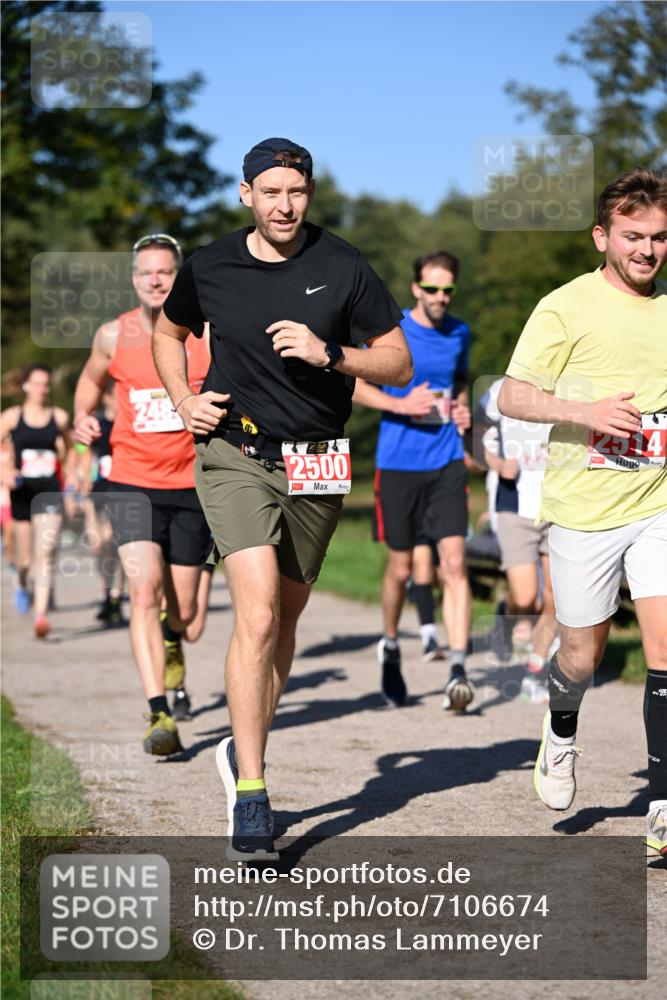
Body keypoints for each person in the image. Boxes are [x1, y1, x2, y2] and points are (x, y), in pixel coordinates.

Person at [153, 137, 412, 860]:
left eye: (294, 192)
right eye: (269, 191)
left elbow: (397, 361)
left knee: (285, 623)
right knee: (258, 610)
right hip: (235, 452)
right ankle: (254, 791)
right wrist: (182, 399)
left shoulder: (341, 264)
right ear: (245, 195)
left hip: (320, 461)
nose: (283, 204)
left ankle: (246, 744)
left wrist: (331, 353)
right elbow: (167, 331)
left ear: (309, 194)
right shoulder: (209, 266)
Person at [497, 167, 667, 855]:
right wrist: (583, 411)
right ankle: (559, 731)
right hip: (583, 510)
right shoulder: (563, 307)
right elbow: (510, 395)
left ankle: (660, 805)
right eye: (632, 236)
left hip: (657, 503)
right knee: (580, 654)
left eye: (658, 238)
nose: (647, 251)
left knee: (663, 650)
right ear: (602, 236)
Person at [73, 233, 211, 748]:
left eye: (166, 273)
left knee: (189, 618)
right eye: (146, 273)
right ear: (134, 280)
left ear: (180, 277)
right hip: (131, 481)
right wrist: (81, 419)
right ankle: (159, 713)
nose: (156, 281)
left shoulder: (207, 333)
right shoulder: (114, 335)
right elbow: (89, 383)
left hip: (195, 484)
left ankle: (173, 639)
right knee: (143, 589)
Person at [353, 251, 472, 710]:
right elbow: (354, 382)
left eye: (449, 290)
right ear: (416, 289)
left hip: (446, 461)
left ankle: (458, 668)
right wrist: (400, 405)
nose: (441, 297)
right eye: (433, 289)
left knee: (454, 563)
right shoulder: (392, 329)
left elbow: (457, 382)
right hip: (398, 463)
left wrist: (461, 408)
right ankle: (390, 644)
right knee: (401, 568)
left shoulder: (459, 332)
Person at [481, 378, 558, 701]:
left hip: (559, 505)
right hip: (514, 504)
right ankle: (506, 615)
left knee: (556, 598)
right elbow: (474, 437)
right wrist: (498, 464)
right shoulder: (499, 390)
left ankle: (536, 672)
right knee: (526, 598)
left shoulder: (570, 386)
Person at [0, 364, 72, 638]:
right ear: (26, 386)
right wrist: (5, 470)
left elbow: (75, 448)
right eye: (38, 383)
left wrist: (73, 470)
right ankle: (21, 583)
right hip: (22, 492)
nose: (43, 389)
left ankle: (40, 615)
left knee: (46, 552)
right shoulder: (12, 416)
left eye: (46, 384)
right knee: (26, 561)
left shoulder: (60, 417)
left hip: (50, 491)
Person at [77, 381, 125, 627]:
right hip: (99, 492)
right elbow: (83, 451)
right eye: (113, 396)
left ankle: (116, 596)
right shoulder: (99, 423)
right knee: (101, 547)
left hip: (123, 490)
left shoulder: (128, 421)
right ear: (106, 398)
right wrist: (83, 477)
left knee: (116, 543)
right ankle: (107, 593)